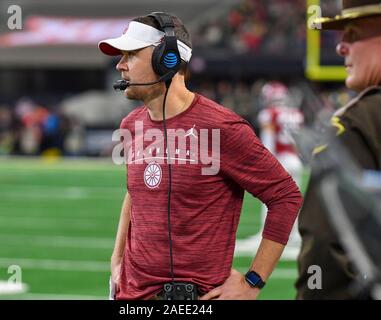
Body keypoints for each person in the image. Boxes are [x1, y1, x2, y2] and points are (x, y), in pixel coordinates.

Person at [99, 12, 302, 300]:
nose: (120, 65)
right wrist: (117, 259)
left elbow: (285, 196)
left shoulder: (222, 128)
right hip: (131, 297)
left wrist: (253, 281)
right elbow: (135, 193)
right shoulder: (131, 125)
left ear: (166, 59)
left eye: (130, 55)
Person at [296, 0, 381, 299]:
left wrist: (313, 291)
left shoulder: (361, 121)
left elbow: (325, 245)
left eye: (353, 34)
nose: (340, 47)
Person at [237, 81, 304, 256]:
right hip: (295, 160)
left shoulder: (269, 114)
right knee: (293, 201)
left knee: (271, 202)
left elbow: (268, 142)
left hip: (280, 160)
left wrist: (266, 164)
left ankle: (266, 235)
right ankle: (294, 235)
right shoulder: (295, 113)